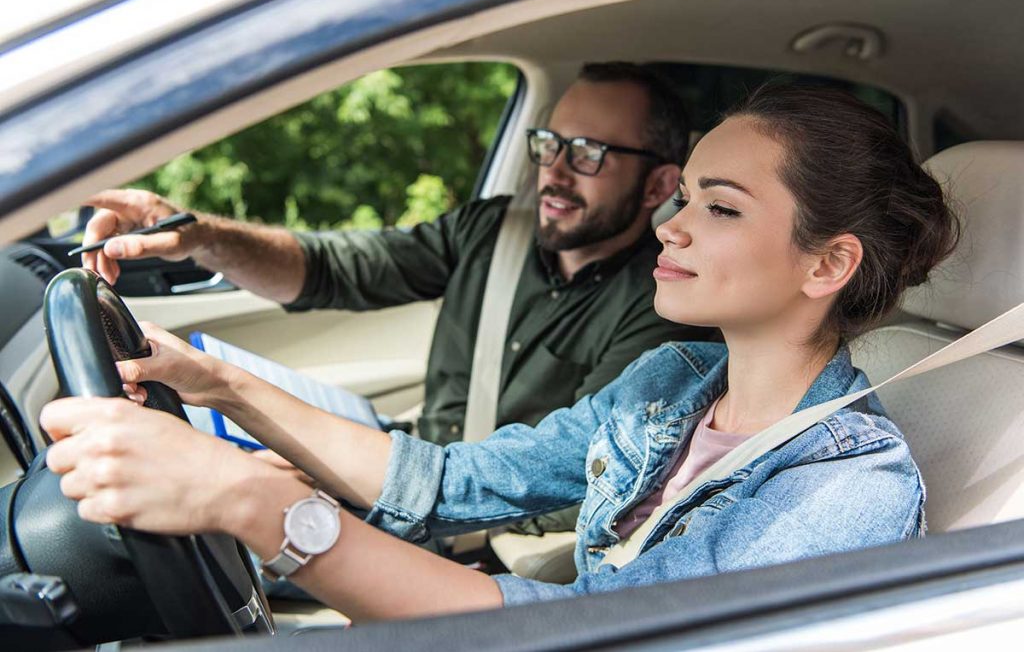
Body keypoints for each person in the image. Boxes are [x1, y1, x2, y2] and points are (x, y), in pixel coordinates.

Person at [42, 84, 959, 620]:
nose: (671, 228)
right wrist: (220, 385)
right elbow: (446, 481)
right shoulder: (672, 385)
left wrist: (252, 502)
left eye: (719, 207)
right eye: (686, 200)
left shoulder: (845, 492)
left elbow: (581, 637)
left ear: (829, 263)